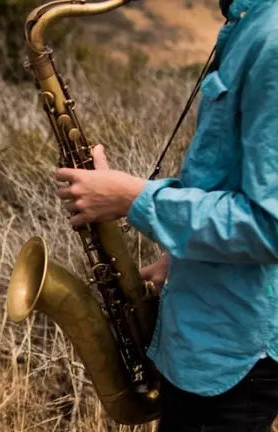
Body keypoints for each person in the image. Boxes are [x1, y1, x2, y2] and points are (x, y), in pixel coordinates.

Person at [53, 0, 278, 430]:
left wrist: (133, 198)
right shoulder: (248, 22)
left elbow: (270, 226)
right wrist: (184, 259)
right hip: (212, 335)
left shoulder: (272, 38)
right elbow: (236, 185)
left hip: (234, 352)